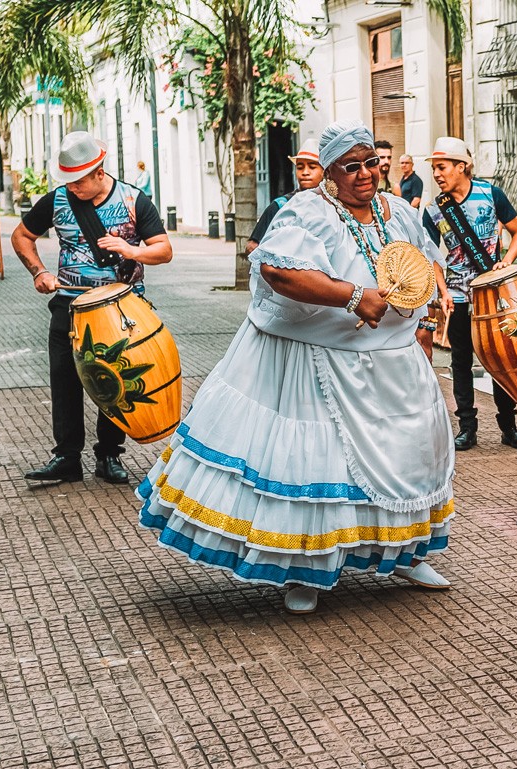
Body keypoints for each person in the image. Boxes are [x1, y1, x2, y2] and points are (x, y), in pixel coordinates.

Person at [136, 120, 456, 614]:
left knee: (410, 453)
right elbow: (277, 270)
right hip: (322, 362)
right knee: (315, 461)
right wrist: (352, 297)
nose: (365, 174)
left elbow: (421, 260)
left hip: (395, 358)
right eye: (352, 167)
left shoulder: (397, 212)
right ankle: (302, 570)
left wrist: (433, 301)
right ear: (329, 173)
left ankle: (407, 553)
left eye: (371, 162)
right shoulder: (307, 212)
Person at [11, 131, 173, 485]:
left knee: (115, 384)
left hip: (121, 310)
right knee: (64, 382)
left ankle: (109, 456)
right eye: (67, 182)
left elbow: (163, 249)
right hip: (69, 306)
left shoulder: (134, 199)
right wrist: (39, 271)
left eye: (79, 181)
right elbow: (21, 236)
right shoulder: (55, 201)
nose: (72, 189)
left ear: (100, 171)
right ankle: (67, 459)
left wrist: (131, 250)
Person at [422, 136, 517, 451]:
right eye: (435, 169)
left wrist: (505, 263)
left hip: (493, 296)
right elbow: (431, 256)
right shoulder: (435, 210)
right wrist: (441, 292)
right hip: (456, 296)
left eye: (442, 167)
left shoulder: (490, 194)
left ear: (461, 167)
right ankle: (467, 427)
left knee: (500, 357)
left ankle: (508, 426)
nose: (437, 174)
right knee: (460, 362)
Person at [246, 139, 324, 253]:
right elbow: (252, 247)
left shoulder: (332, 204)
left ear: (324, 171)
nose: (305, 172)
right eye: (300, 167)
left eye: (312, 167)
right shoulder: (281, 204)